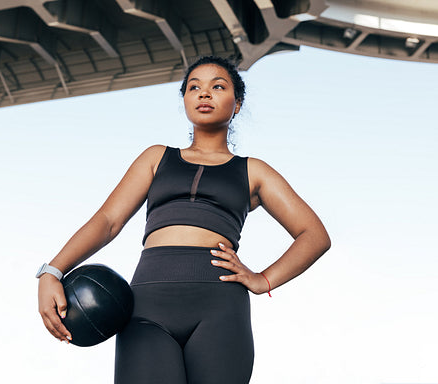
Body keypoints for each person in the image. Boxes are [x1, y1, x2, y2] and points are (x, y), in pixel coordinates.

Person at [37, 55, 331, 383]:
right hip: (147, 307)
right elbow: (107, 220)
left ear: (236, 104)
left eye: (218, 86)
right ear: (185, 100)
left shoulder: (254, 171)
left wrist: (264, 280)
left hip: (219, 307)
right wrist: (52, 270)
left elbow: (314, 234)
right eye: (194, 87)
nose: (204, 93)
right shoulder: (155, 157)